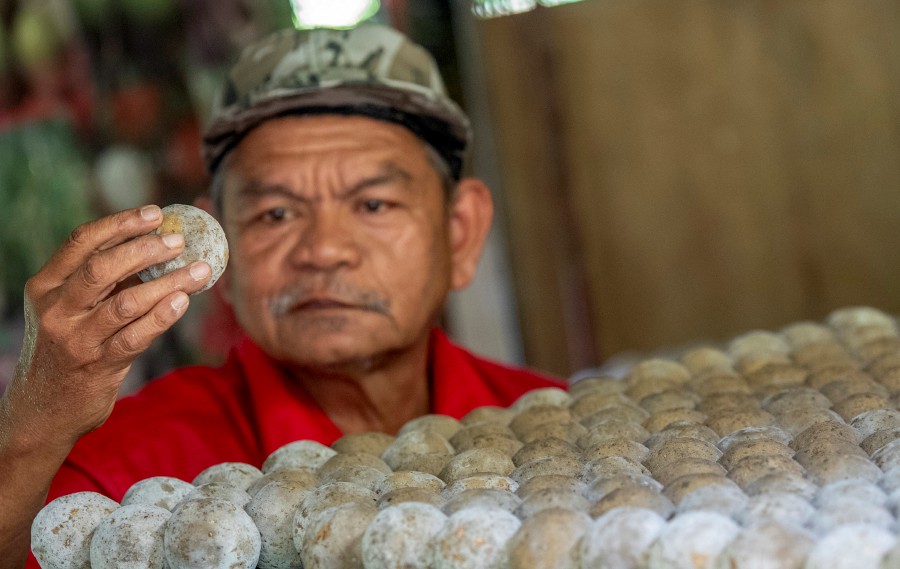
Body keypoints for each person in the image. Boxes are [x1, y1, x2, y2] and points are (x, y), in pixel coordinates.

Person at [0, 24, 564, 568]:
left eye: (373, 205)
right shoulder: (123, 476)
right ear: (216, 244)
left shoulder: (559, 432)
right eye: (275, 213)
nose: (322, 250)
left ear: (459, 232)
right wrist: (31, 430)